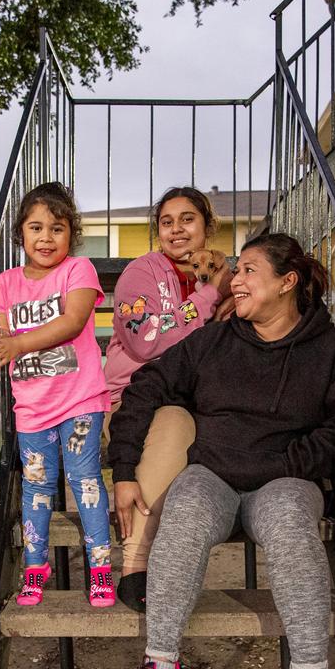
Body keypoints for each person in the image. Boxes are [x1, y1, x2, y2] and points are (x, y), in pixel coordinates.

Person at [105, 233, 335, 669]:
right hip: (215, 476)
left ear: (287, 282)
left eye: (248, 270)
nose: (235, 280)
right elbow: (147, 386)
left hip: (286, 481)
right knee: (185, 505)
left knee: (294, 522)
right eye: (237, 270)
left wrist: (281, 464)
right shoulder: (214, 341)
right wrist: (125, 468)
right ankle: (162, 666)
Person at [0, 182, 114, 608]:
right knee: (35, 488)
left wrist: (17, 345)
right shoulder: (6, 282)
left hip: (79, 400)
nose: (45, 238)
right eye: (35, 227)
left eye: (56, 228)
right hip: (32, 407)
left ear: (70, 234)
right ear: (21, 233)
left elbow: (73, 322)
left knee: (85, 480)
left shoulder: (78, 271)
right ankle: (36, 568)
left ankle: (100, 570)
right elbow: (1, 330)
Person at [104, 186, 233, 611]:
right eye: (166, 221)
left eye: (188, 219)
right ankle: (137, 563)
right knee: (175, 423)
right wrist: (209, 296)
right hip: (132, 400)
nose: (176, 229)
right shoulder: (141, 273)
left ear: (208, 227)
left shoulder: (230, 275)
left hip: (200, 403)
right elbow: (145, 341)